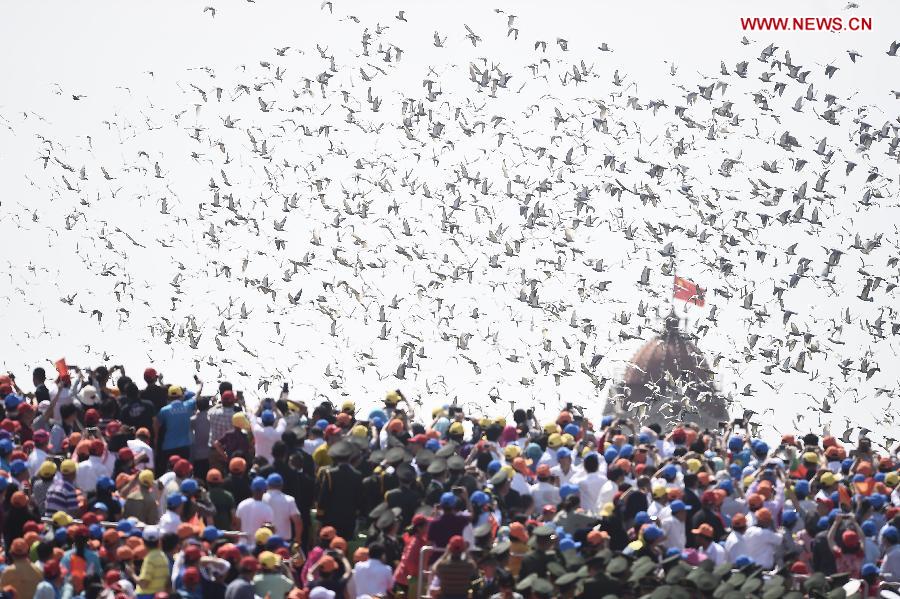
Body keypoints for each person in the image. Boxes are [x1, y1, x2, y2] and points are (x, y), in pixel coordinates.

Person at [155, 385, 198, 465]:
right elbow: (197, 395)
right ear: (182, 396)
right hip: (184, 446)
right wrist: (201, 384)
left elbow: (157, 426)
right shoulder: (188, 405)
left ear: (169, 397)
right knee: (184, 470)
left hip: (168, 446)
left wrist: (156, 442)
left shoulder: (164, 410)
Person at [262, 473, 303, 546]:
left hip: (265, 541)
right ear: (281, 485)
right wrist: (298, 539)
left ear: (267, 485)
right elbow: (298, 521)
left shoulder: (261, 499)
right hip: (284, 542)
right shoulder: (289, 500)